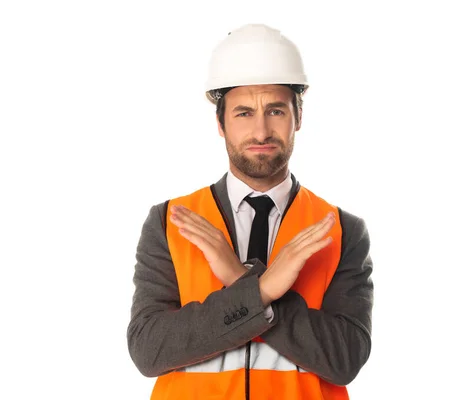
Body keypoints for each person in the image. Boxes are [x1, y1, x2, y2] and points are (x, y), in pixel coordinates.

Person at [127, 23, 374, 400]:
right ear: (220, 123)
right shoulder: (169, 221)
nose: (260, 132)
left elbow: (344, 358)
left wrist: (237, 278)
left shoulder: (342, 231)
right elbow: (149, 350)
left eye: (275, 110)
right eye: (244, 113)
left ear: (299, 118)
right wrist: (262, 289)